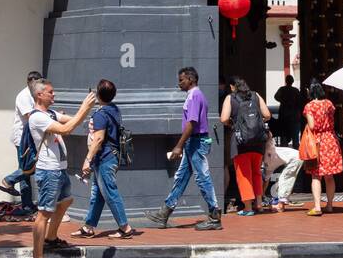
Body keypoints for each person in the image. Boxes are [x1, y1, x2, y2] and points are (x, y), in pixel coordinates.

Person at [28, 81, 96, 258]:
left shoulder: (50, 114)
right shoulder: (37, 118)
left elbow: (72, 121)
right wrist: (84, 107)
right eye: (50, 92)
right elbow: (66, 130)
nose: (54, 94)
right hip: (48, 170)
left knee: (66, 200)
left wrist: (87, 111)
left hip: (59, 169)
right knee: (44, 213)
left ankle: (51, 239)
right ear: (40, 95)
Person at [146, 67, 222, 231]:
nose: (179, 83)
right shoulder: (195, 95)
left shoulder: (194, 96)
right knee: (181, 177)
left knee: (202, 178)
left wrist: (179, 145)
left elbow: (192, 123)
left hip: (196, 142)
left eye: (181, 79)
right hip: (194, 142)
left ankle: (214, 217)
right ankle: (164, 213)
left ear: (191, 80)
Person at [78, 79, 138, 239]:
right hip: (109, 157)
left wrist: (87, 160)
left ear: (98, 95)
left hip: (104, 158)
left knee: (110, 192)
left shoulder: (100, 115)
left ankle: (125, 228)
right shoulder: (114, 110)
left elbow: (98, 139)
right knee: (98, 194)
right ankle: (88, 227)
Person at [221, 77, 271, 215]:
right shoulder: (256, 95)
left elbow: (224, 118)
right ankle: (259, 204)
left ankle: (248, 207)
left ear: (233, 87)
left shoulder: (230, 98)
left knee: (243, 174)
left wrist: (234, 124)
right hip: (258, 142)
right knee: (256, 173)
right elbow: (267, 114)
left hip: (240, 142)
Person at [0, 69, 43, 212]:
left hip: (30, 138)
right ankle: (9, 180)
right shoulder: (23, 96)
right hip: (22, 139)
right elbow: (31, 116)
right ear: (29, 82)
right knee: (28, 168)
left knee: (27, 169)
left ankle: (27, 204)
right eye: (35, 83)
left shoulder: (35, 94)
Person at [301, 80, 343, 215]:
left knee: (316, 175)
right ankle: (330, 205)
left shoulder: (309, 106)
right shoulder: (329, 104)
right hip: (330, 140)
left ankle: (318, 207)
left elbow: (312, 126)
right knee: (329, 176)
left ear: (310, 91)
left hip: (317, 142)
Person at [274, 74, 303, 146]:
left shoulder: (282, 89)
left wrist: (282, 101)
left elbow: (276, 97)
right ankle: (296, 151)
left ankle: (284, 151)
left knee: (284, 136)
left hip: (284, 116)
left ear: (286, 81)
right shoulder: (295, 90)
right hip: (294, 116)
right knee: (295, 137)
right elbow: (299, 101)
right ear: (292, 81)